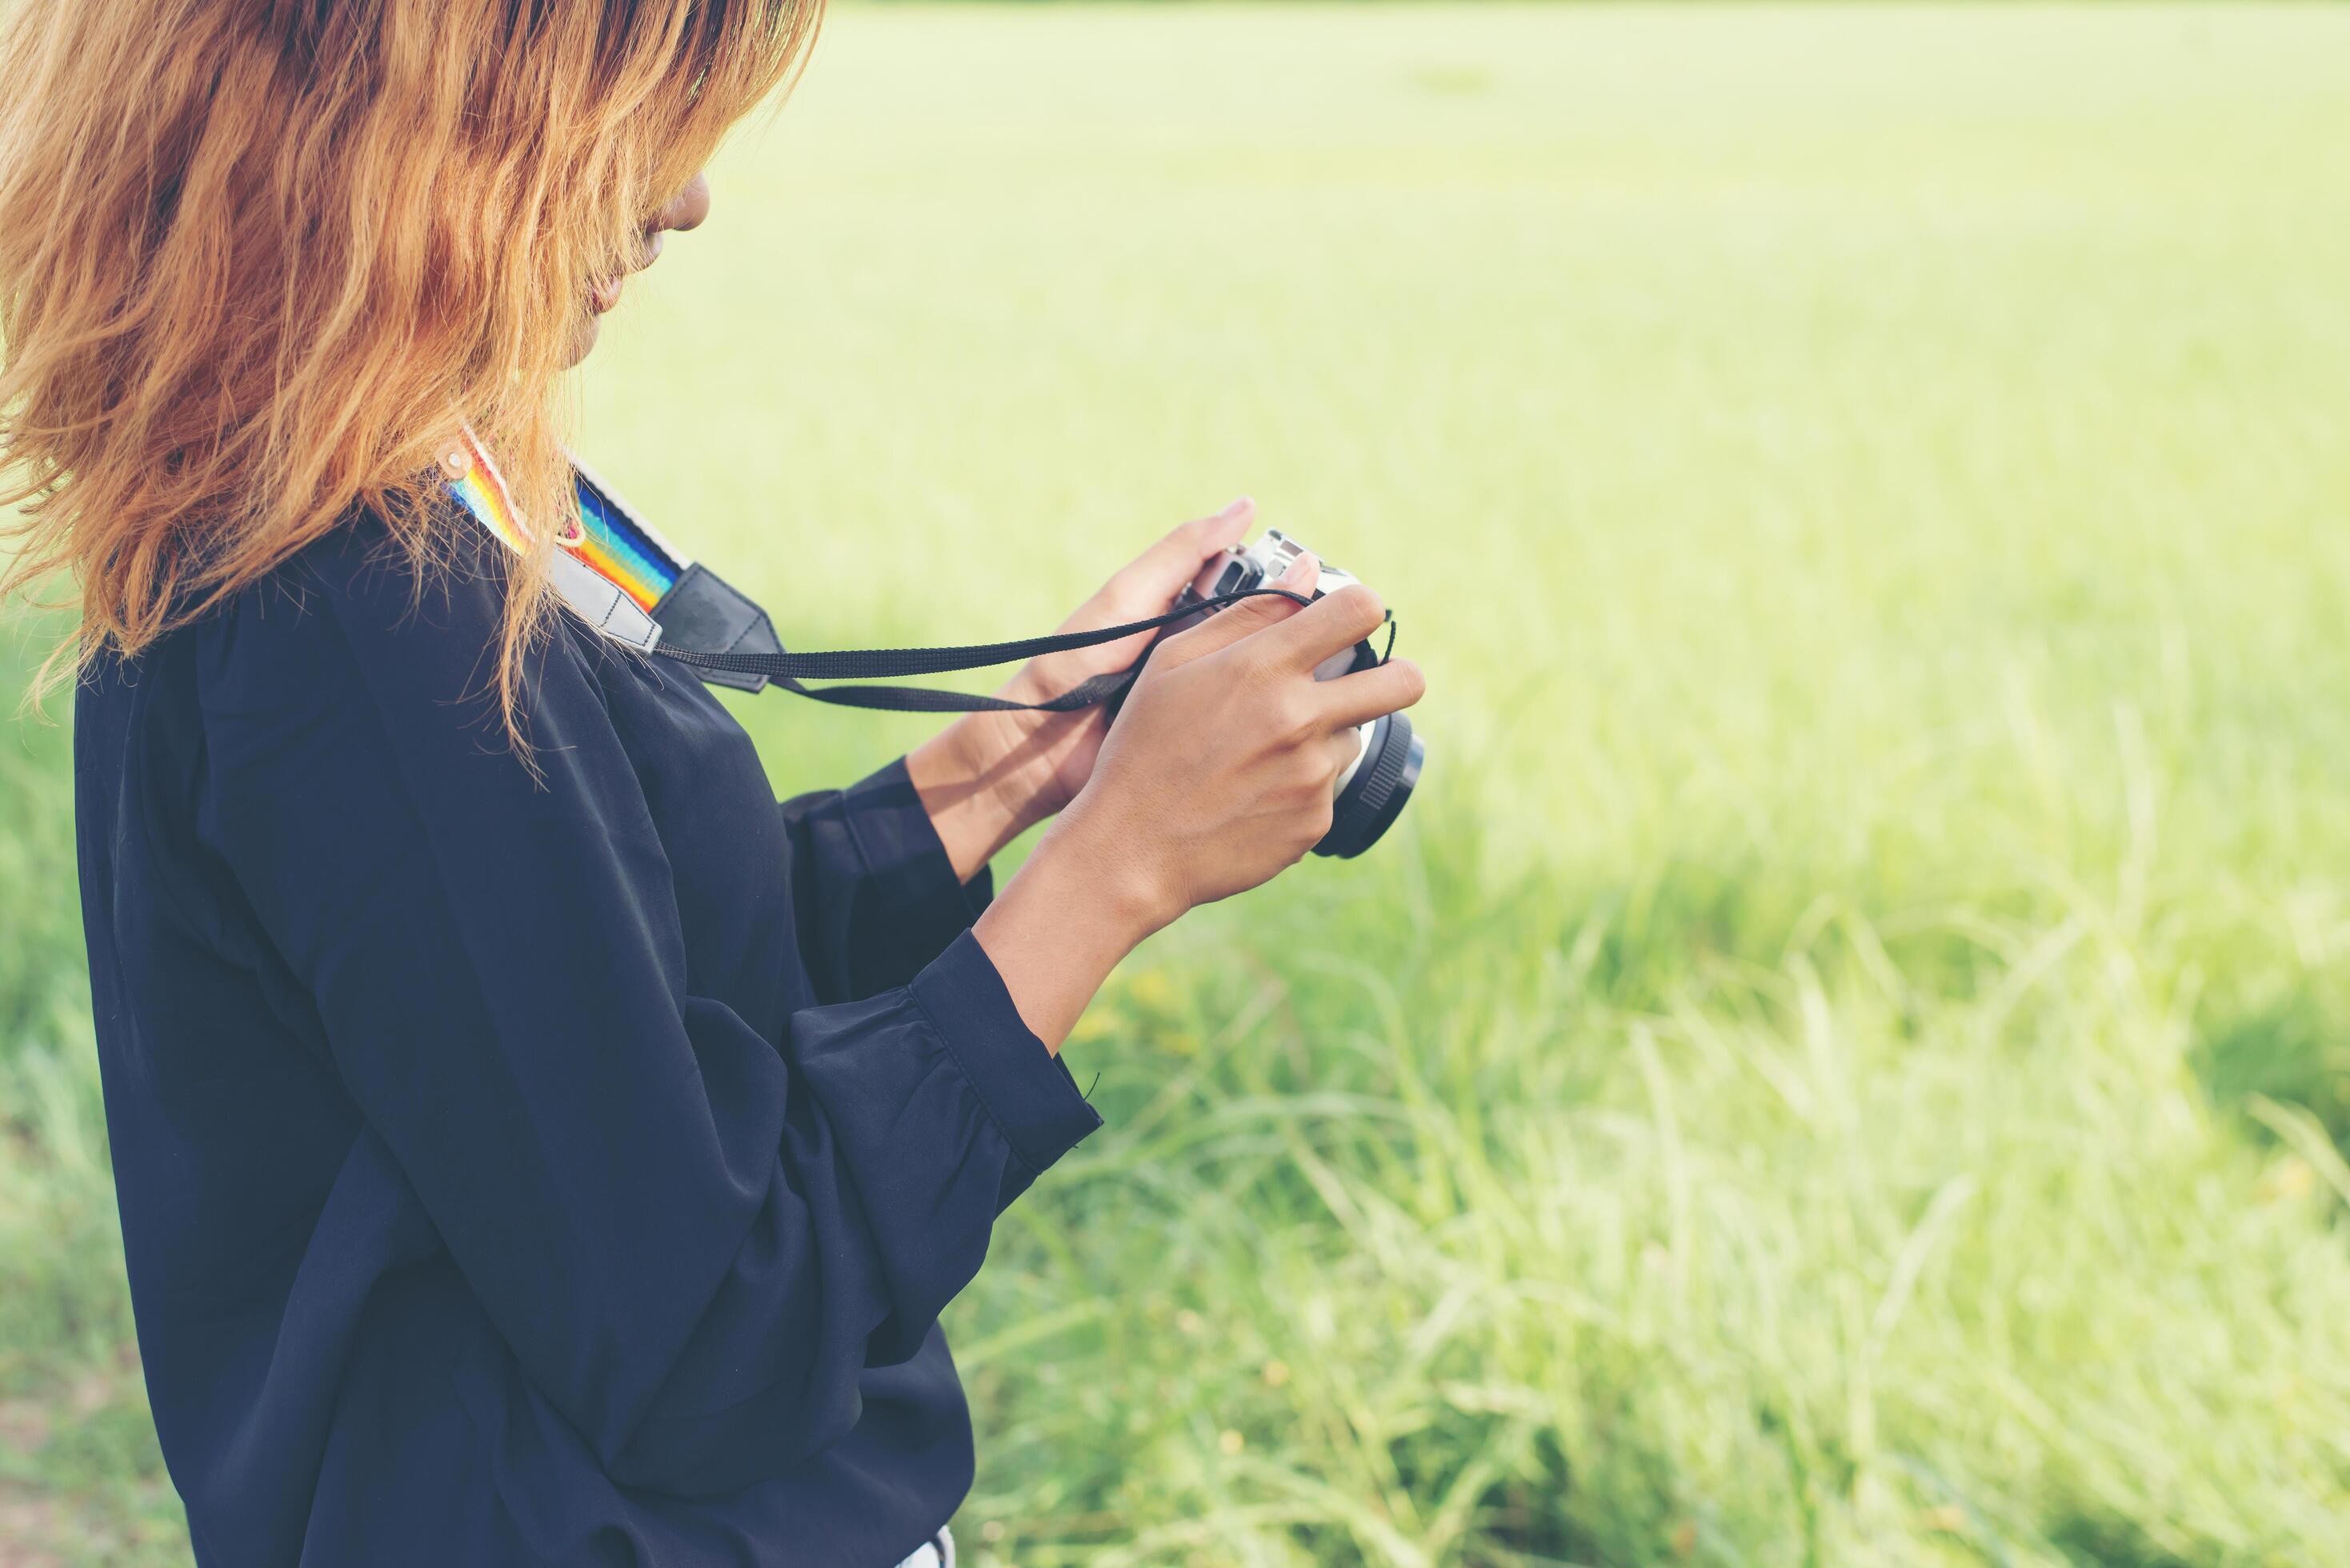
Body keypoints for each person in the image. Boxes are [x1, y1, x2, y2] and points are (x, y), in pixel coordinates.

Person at [0, 2, 1423, 1566]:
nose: (683, 198)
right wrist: (1113, 872)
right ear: (409, 108)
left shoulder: (373, 501)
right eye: (636, 114)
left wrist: (1008, 755)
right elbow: (699, 1337)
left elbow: (597, 1008)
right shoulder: (352, 609)